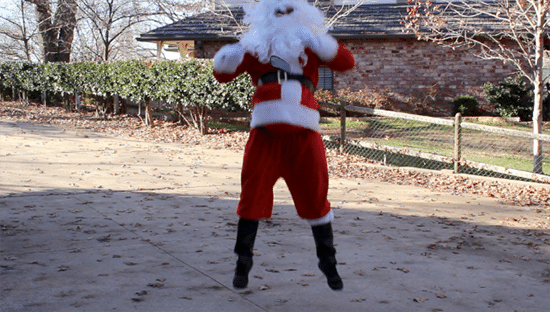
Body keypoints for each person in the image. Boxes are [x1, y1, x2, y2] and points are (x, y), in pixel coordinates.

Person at [213, 0, 355, 291]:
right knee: (251, 197)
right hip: (265, 136)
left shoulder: (311, 46)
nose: (286, 16)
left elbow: (346, 62)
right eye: (279, 11)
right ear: (267, 16)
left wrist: (318, 41)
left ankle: (328, 262)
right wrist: (238, 49)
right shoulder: (257, 47)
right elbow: (222, 74)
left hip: (304, 136)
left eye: (291, 10)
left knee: (316, 198)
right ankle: (243, 260)